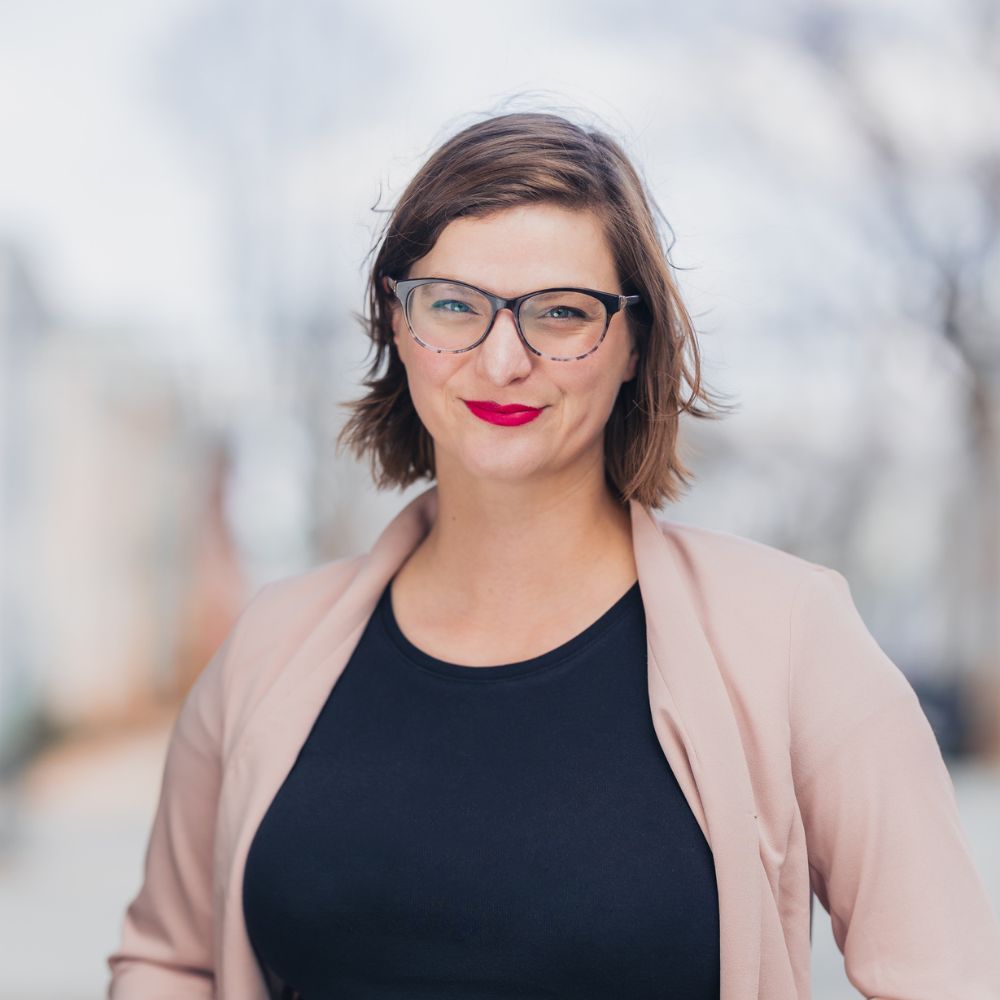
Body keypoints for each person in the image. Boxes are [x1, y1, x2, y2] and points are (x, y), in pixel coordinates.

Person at [106, 111, 1000, 1000]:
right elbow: (168, 959)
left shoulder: (794, 638)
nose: (502, 361)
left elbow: (945, 978)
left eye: (562, 314)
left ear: (633, 345)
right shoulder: (271, 645)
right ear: (398, 322)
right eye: (454, 304)